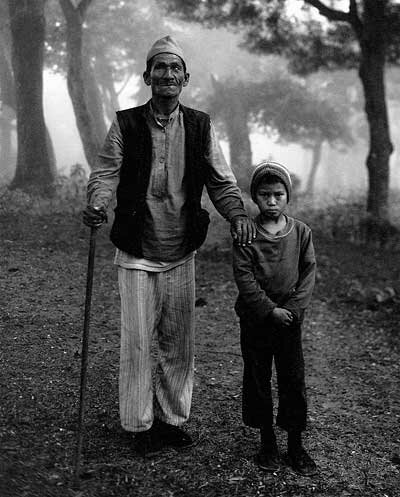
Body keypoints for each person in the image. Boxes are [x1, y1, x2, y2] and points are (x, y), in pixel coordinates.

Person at [83, 35, 255, 456]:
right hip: (136, 249)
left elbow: (220, 180)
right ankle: (138, 425)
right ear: (146, 77)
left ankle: (172, 420)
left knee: (179, 342)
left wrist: (236, 215)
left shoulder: (200, 125)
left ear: (186, 78)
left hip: (181, 249)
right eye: (159, 67)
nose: (167, 74)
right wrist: (97, 202)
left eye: (175, 68)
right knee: (139, 341)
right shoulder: (125, 123)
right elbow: (106, 172)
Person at [232, 160, 317, 476]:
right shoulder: (246, 234)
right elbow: (244, 275)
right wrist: (269, 310)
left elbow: (308, 272)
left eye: (278, 194)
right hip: (256, 319)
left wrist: (292, 310)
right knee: (258, 378)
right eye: (264, 194)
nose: (271, 201)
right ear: (255, 197)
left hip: (290, 321)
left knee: (293, 379)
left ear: (287, 197)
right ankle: (267, 442)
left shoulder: (301, 233)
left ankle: (295, 445)